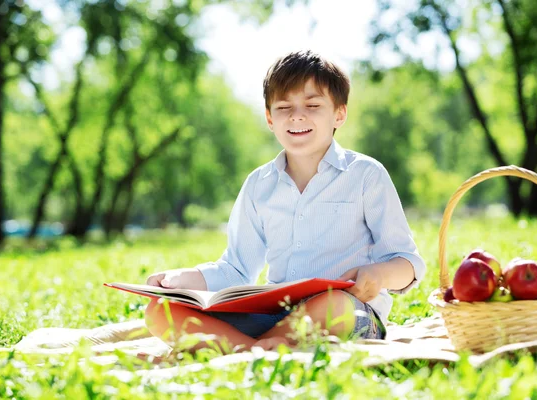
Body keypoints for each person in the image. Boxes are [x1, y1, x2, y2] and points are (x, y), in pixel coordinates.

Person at [144, 50, 426, 352]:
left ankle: (240, 350)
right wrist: (181, 279)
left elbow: (407, 262)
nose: (297, 115)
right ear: (269, 118)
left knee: (334, 303)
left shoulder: (366, 175)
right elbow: (236, 269)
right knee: (159, 311)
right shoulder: (258, 185)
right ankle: (263, 350)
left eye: (313, 105)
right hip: (273, 314)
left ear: (339, 114)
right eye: (283, 107)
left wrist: (380, 274)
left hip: (347, 312)